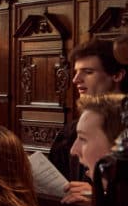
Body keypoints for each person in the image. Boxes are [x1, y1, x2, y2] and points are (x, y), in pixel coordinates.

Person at [51, 40, 128, 191]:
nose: (75, 80)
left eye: (88, 72)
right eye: (76, 72)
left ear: (118, 75)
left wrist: (100, 197)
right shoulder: (71, 131)